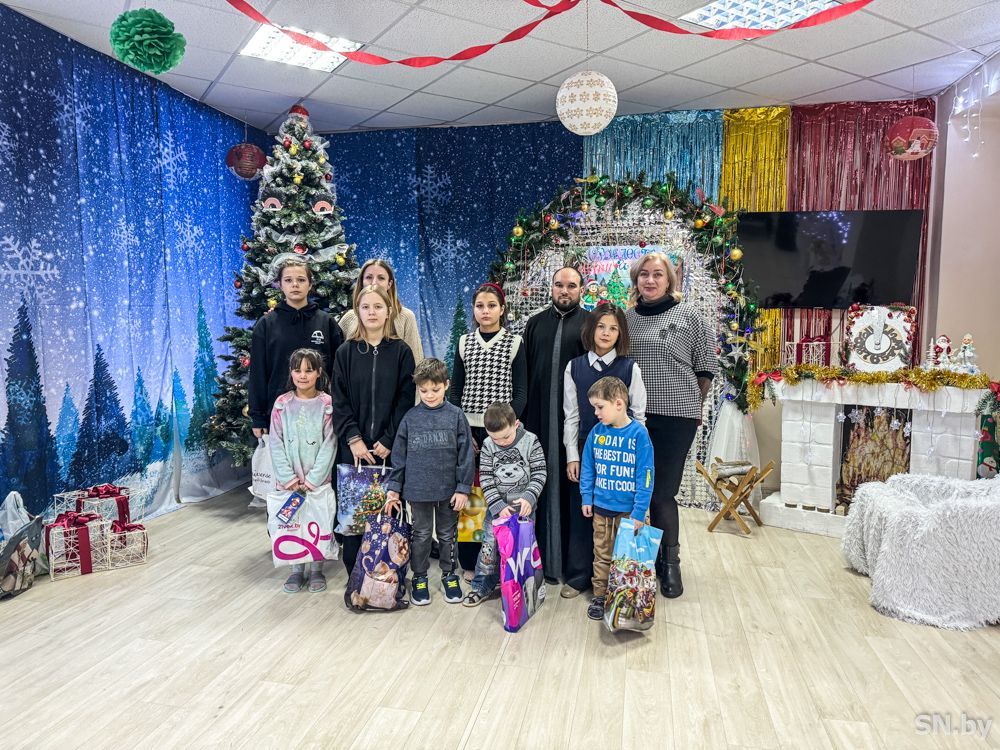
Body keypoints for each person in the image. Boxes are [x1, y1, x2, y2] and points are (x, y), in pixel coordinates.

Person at [625, 252, 717, 598]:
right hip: (635, 418)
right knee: (637, 492)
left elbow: (705, 368)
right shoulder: (626, 319)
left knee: (661, 492)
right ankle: (639, 562)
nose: (650, 280)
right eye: (644, 274)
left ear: (669, 280)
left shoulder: (689, 315)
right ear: (636, 280)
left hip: (676, 418)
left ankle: (669, 564)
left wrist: (688, 405)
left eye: (657, 274)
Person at [562, 303, 647, 597]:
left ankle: (619, 585)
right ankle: (579, 576)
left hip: (622, 455)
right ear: (591, 329)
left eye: (613, 328)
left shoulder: (629, 367)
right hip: (587, 451)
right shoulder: (574, 367)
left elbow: (639, 415)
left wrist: (636, 455)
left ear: (620, 333)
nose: (606, 333)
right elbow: (571, 415)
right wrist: (572, 455)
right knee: (584, 512)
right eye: (601, 326)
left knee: (618, 519)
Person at [331, 284, 416, 574]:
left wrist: (389, 438)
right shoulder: (345, 352)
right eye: (365, 307)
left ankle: (388, 574)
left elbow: (405, 399)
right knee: (354, 514)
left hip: (387, 449)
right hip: (354, 449)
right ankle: (355, 575)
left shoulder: (401, 352)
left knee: (387, 512)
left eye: (378, 306)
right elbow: (339, 399)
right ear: (357, 311)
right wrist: (353, 438)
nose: (372, 312)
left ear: (388, 311)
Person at [449, 282, 527, 577]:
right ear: (474, 309)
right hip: (470, 429)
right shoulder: (464, 342)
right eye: (480, 306)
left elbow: (520, 392)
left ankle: (499, 559)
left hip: (502, 432)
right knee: (473, 496)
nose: (485, 311)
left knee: (503, 493)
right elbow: (455, 391)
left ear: (502, 309)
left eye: (492, 305)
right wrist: (463, 431)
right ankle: (471, 562)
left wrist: (505, 431)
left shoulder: (514, 343)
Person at [384, 358, 475, 606]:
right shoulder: (410, 418)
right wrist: (394, 489)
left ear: (446, 385)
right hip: (418, 491)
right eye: (424, 391)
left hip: (449, 492)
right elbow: (399, 458)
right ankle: (420, 577)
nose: (430, 395)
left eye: (435, 389)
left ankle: (449, 575)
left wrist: (463, 488)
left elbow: (466, 455)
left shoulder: (456, 416)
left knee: (447, 535)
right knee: (422, 535)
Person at [522, 267, 587, 592]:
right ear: (551, 287)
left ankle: (576, 570)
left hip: (576, 425)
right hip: (538, 422)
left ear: (581, 290)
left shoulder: (590, 324)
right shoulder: (535, 324)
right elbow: (524, 373)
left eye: (571, 285)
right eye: (559, 284)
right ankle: (543, 563)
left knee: (574, 493)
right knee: (540, 487)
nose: (564, 290)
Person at [580, 376, 654, 620]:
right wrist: (586, 497)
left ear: (619, 404)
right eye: (594, 407)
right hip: (601, 510)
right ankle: (600, 596)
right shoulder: (596, 433)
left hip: (629, 513)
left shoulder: (639, 435)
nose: (596, 412)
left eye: (600, 407)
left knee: (629, 560)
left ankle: (627, 599)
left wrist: (639, 512)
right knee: (602, 555)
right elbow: (588, 467)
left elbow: (646, 476)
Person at [461, 402, 546, 607]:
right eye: (495, 438)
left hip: (524, 510)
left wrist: (529, 498)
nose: (501, 443)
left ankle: (522, 588)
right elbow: (486, 479)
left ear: (516, 424)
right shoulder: (488, 445)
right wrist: (498, 506)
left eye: (505, 437)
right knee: (489, 548)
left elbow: (540, 472)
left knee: (521, 550)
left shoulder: (530, 440)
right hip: (497, 510)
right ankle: (481, 586)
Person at [249, 257, 343, 438]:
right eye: (288, 280)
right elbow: (258, 373)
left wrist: (339, 409)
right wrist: (258, 417)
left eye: (301, 279)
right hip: (279, 413)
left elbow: (339, 372)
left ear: (310, 284)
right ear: (280, 285)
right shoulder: (266, 325)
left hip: (322, 413)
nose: (295, 285)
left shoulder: (326, 322)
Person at [269, 348, 337, 594]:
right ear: (291, 372)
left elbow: (330, 443)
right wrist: (288, 479)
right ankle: (296, 570)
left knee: (318, 522)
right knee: (292, 524)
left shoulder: (327, 404)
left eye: (309, 370)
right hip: (289, 485)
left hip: (317, 484)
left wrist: (313, 480)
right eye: (297, 370)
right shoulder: (282, 404)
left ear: (319, 373)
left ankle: (317, 569)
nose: (303, 375)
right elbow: (275, 442)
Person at [339, 259, 424, 365]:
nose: (374, 282)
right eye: (369, 277)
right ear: (361, 282)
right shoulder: (349, 319)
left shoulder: (406, 317)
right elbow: (338, 363)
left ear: (389, 284)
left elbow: (417, 363)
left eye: (381, 278)